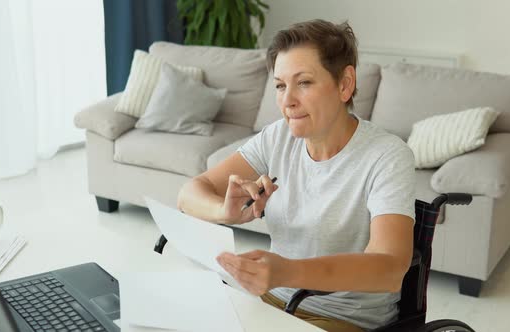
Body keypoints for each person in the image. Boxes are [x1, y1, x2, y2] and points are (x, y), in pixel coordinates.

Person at [177, 19, 415, 332]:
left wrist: (286, 272)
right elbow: (189, 194)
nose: (287, 101)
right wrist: (223, 211)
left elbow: (389, 268)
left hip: (341, 319)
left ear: (344, 84)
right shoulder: (276, 138)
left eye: (303, 82)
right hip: (271, 303)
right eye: (280, 85)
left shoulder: (387, 156)